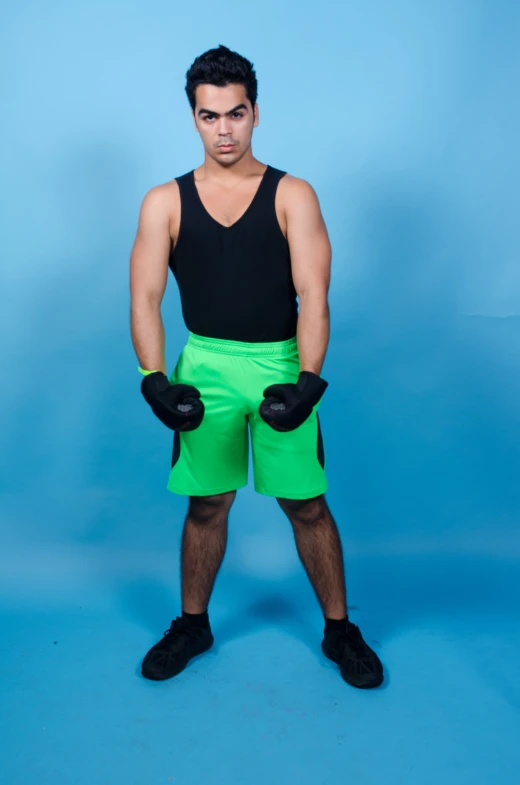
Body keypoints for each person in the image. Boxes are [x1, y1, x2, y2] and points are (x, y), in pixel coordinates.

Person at [129, 44, 383, 689]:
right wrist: (154, 379)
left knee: (306, 505)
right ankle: (193, 622)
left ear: (255, 114)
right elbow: (145, 298)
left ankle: (339, 628)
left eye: (235, 114)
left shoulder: (292, 194)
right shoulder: (165, 201)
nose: (224, 130)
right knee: (207, 503)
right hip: (205, 364)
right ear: (194, 118)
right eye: (210, 117)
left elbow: (315, 296)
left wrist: (309, 382)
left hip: (278, 360)